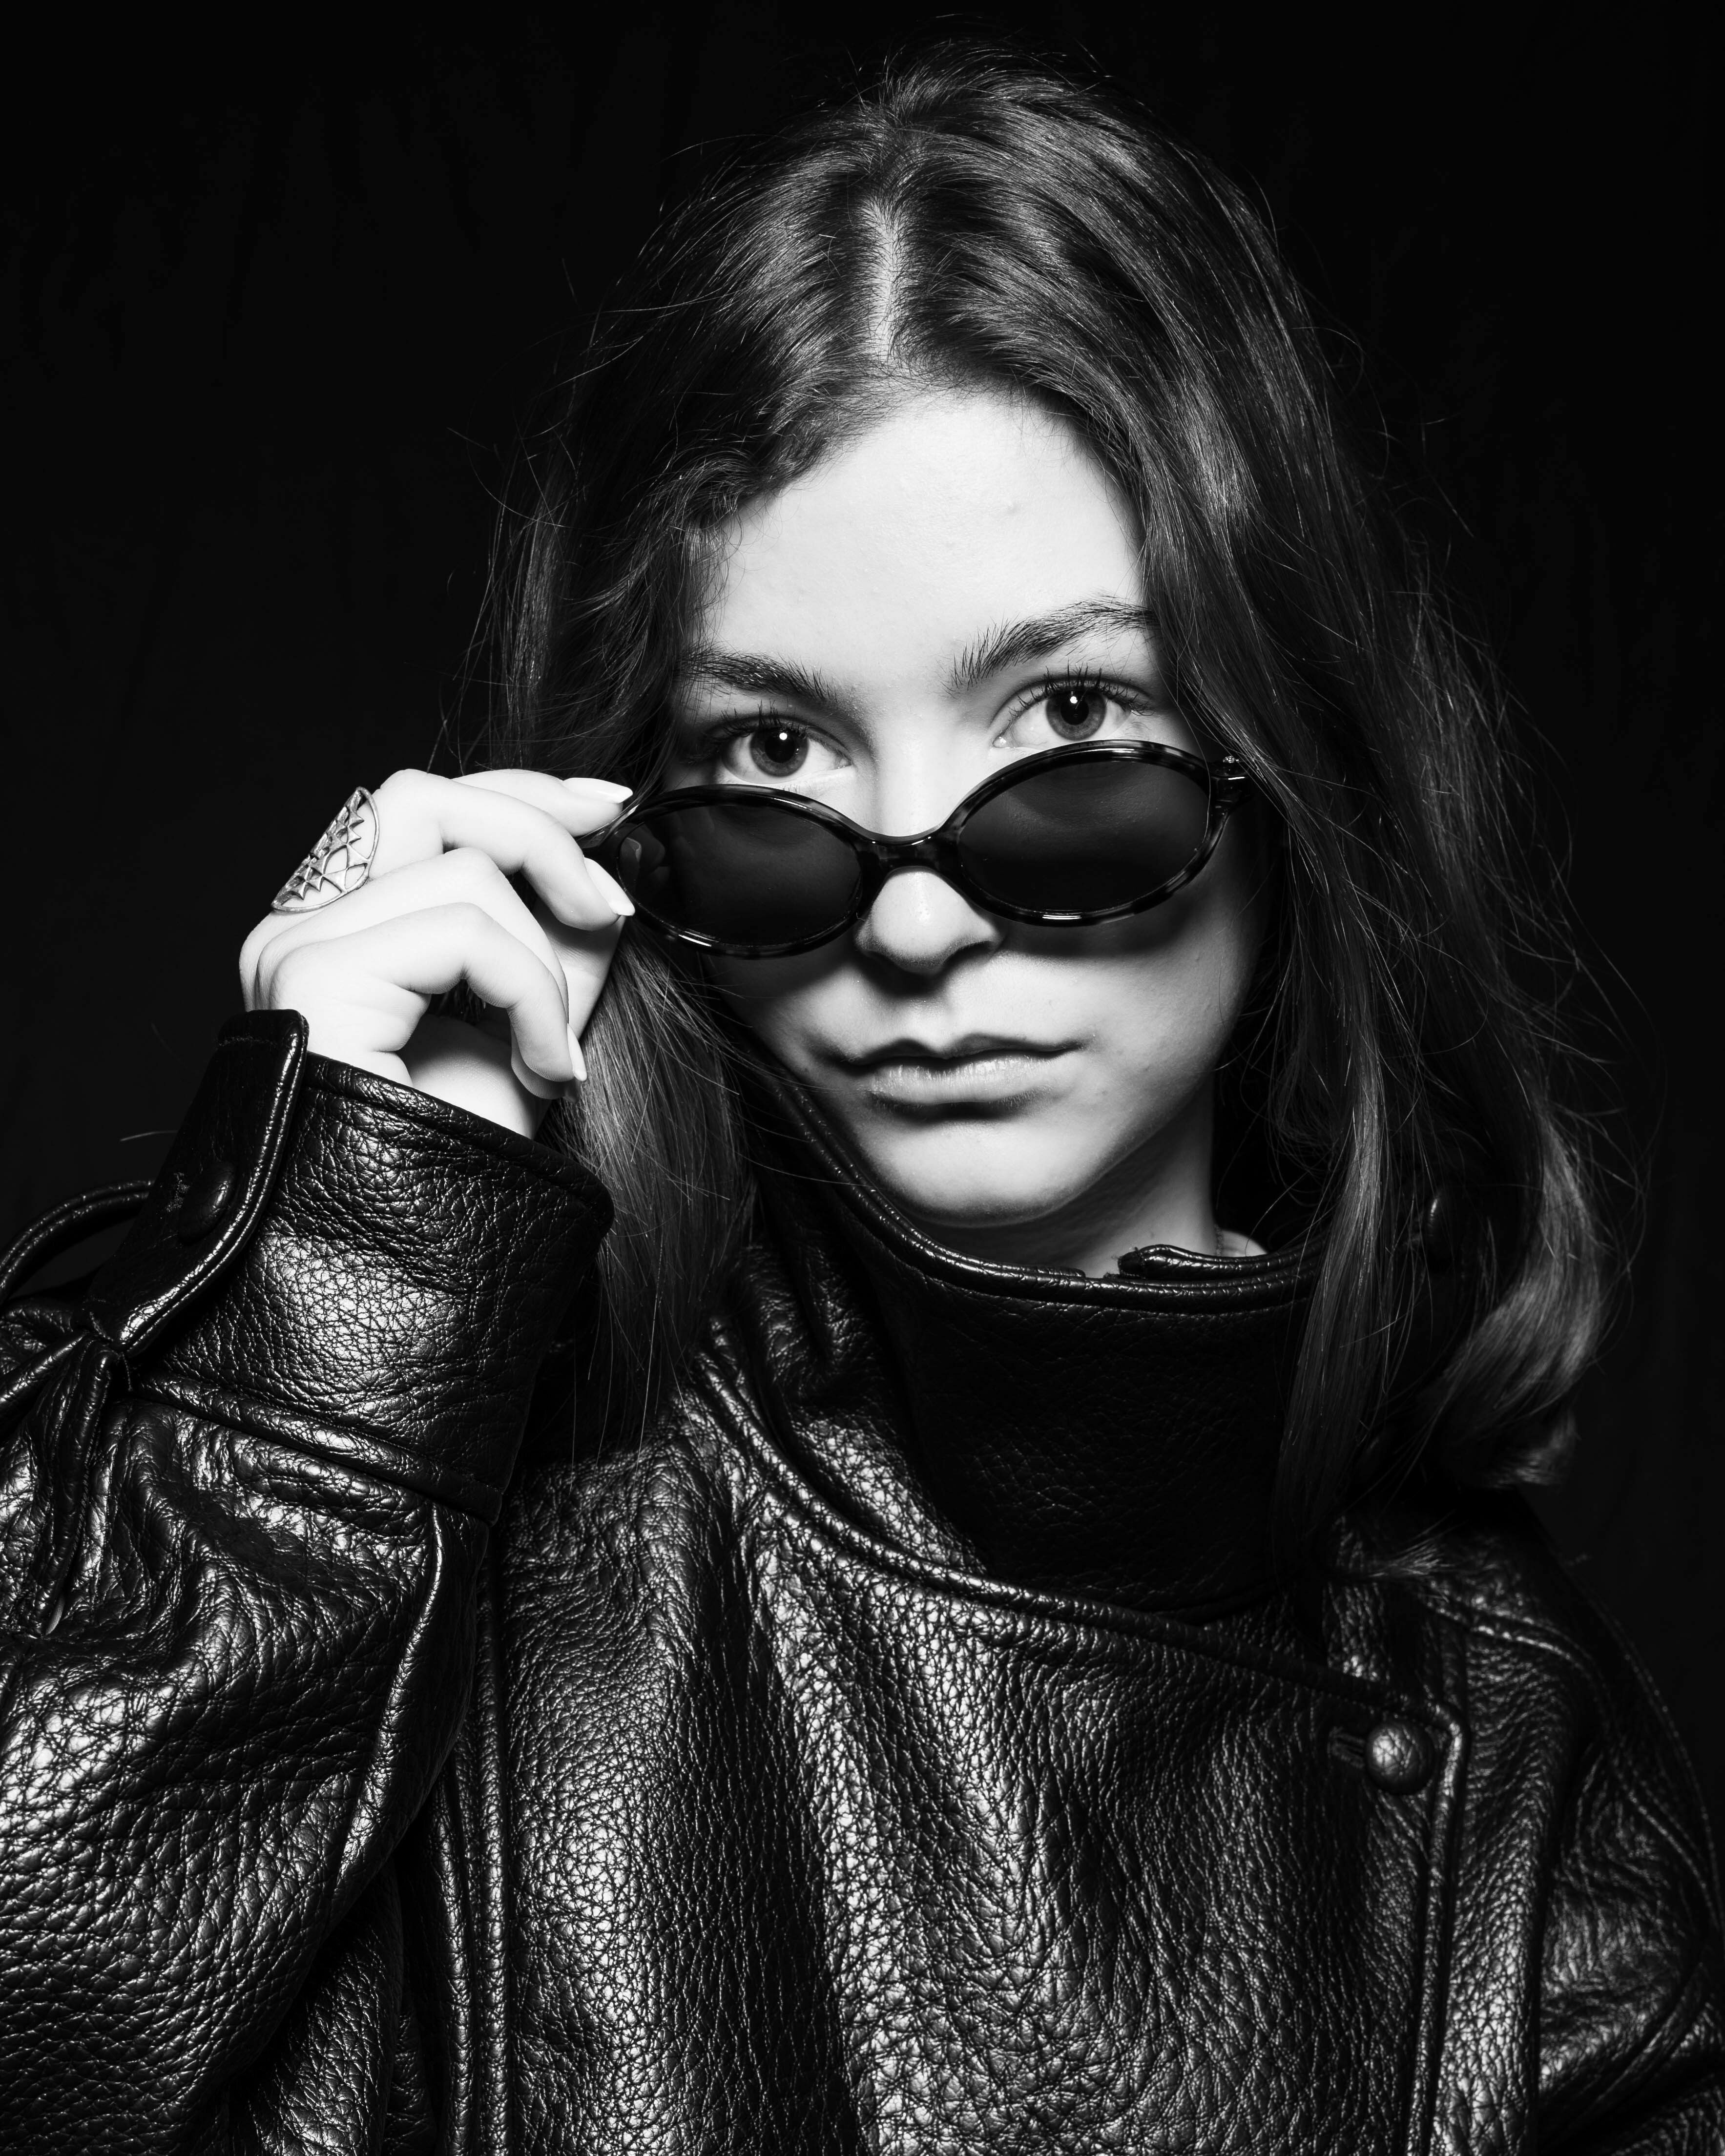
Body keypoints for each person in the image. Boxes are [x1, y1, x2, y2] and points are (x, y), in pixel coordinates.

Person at [1, 46, 1720, 2154]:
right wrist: (325, 1311)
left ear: (1300, 763)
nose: (911, 923)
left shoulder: (1516, 1777)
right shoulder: (351, 1453)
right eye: (774, 761)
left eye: (1069, 725)